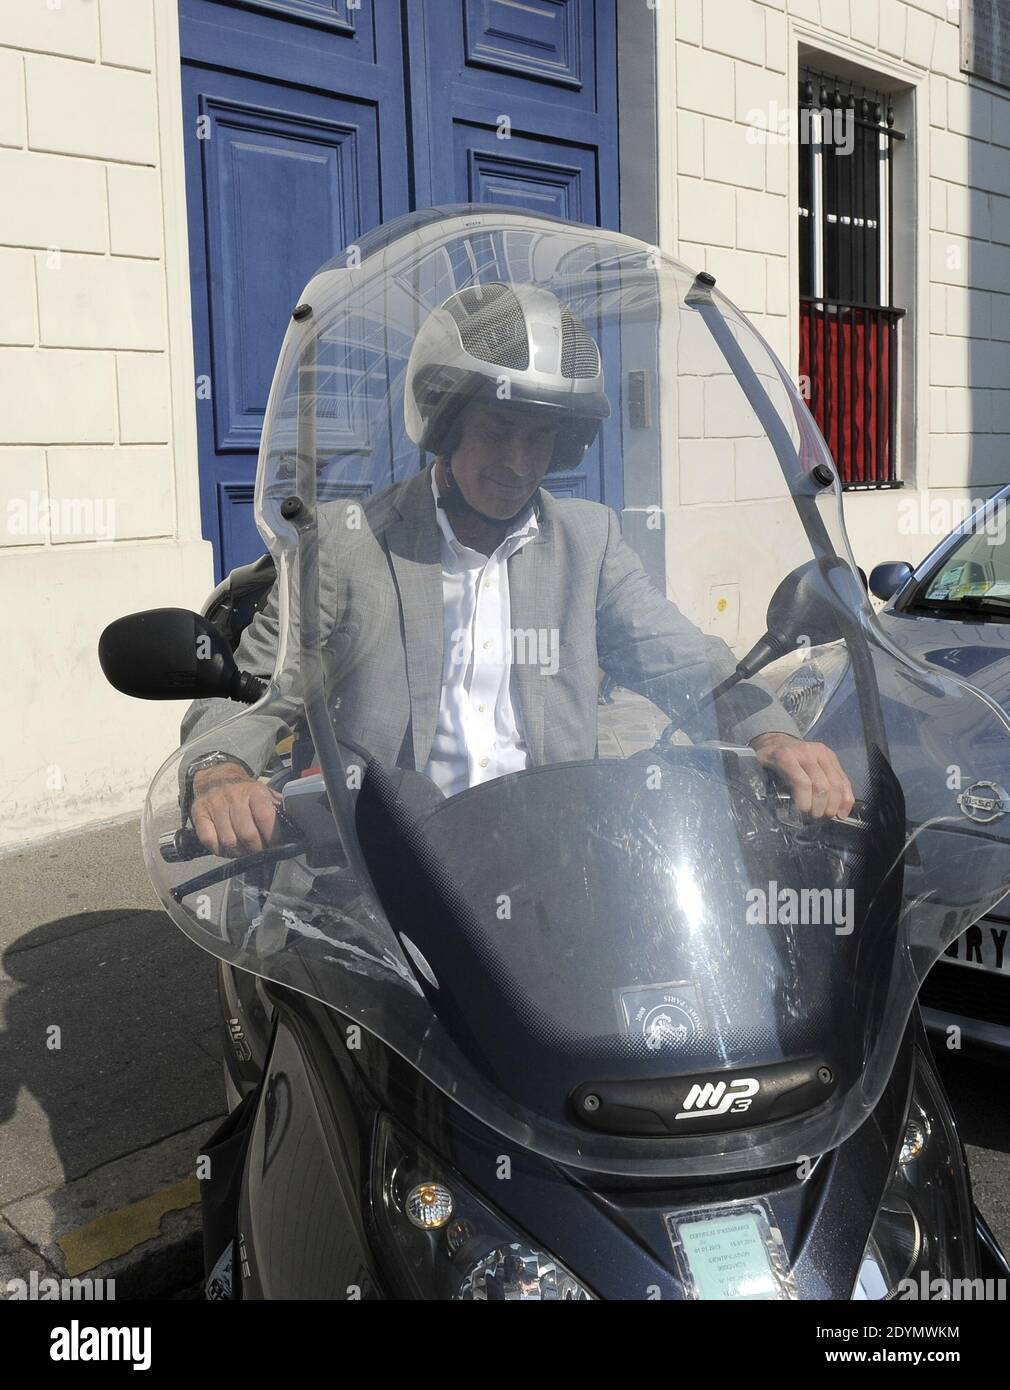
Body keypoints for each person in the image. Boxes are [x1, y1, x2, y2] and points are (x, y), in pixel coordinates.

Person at [181, 282, 854, 857]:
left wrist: (770, 732)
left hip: (552, 846)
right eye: (498, 431)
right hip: (386, 864)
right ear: (444, 427)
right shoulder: (348, 545)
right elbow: (251, 687)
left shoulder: (586, 543)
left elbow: (682, 658)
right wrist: (219, 771)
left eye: (539, 439)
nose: (518, 463)